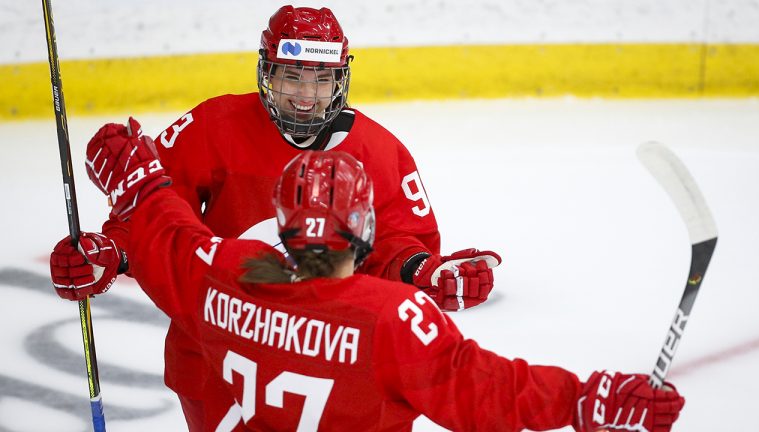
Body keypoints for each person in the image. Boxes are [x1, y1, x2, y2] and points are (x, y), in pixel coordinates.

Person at [53, 127, 685, 431]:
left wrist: (140, 186)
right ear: (364, 229)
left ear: (280, 224)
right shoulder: (390, 320)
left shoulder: (223, 276)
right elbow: (491, 392)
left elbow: (171, 237)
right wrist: (587, 398)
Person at [50, 6, 502, 429]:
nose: (306, 96)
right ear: (268, 73)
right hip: (220, 354)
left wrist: (422, 269)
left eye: (321, 79)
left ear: (340, 79)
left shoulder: (380, 153)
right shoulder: (214, 126)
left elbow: (398, 243)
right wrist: (113, 251)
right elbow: (155, 210)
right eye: (292, 77)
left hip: (332, 358)